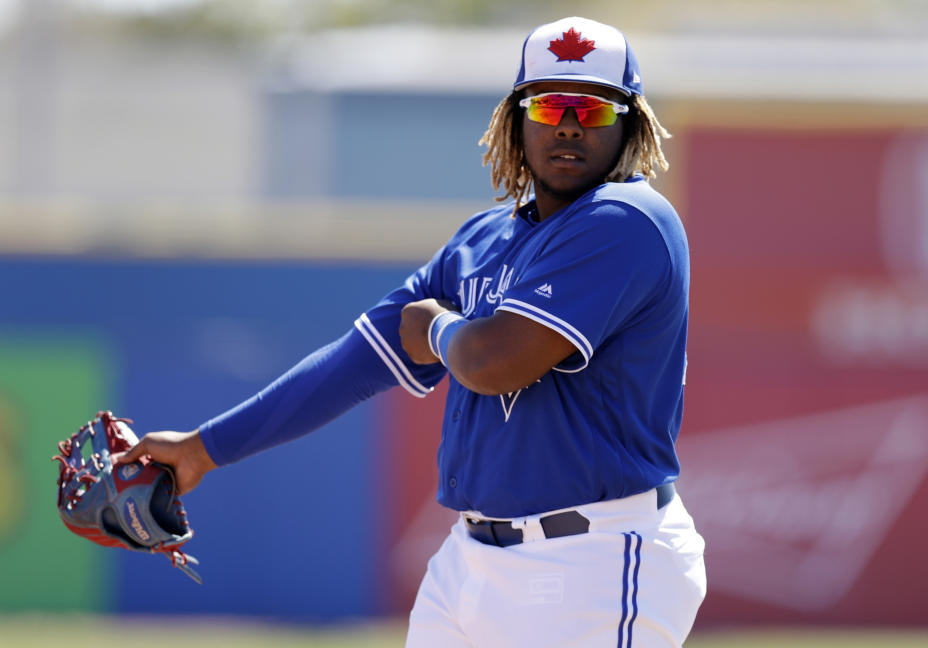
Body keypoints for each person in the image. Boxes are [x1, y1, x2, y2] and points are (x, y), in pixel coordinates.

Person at [116, 16, 706, 647]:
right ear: (515, 119)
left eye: (590, 109)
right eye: (547, 104)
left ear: (628, 124)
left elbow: (494, 361)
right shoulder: (482, 240)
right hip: (470, 560)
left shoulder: (629, 220)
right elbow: (356, 361)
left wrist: (439, 326)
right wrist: (204, 449)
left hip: (594, 556)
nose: (566, 123)